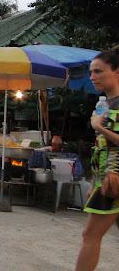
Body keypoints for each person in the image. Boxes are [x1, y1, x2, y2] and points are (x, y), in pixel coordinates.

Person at [75, 47, 119, 271]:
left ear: (117, 72)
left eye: (99, 71)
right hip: (107, 181)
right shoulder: (106, 104)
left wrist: (98, 127)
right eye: (91, 72)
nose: (92, 77)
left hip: (115, 179)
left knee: (90, 236)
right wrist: (94, 180)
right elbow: (101, 149)